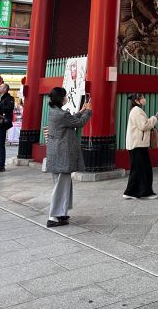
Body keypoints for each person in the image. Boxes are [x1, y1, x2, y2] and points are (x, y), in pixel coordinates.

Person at [46, 87, 92, 227]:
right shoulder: (61, 115)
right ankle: (53, 217)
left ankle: (61, 213)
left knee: (61, 185)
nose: (66, 98)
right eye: (64, 96)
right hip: (62, 154)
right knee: (61, 186)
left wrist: (82, 111)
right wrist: (88, 111)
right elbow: (78, 123)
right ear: (60, 98)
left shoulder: (54, 112)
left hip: (56, 153)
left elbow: (70, 120)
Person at [123, 93, 158, 200]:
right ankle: (145, 192)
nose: (144, 99)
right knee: (144, 169)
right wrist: (155, 118)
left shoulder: (136, 111)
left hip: (137, 144)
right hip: (138, 144)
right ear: (137, 101)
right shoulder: (136, 111)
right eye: (142, 98)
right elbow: (143, 126)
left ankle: (131, 192)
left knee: (137, 169)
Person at [0, 83, 15, 172]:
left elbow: (8, 108)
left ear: (5, 89)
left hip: (1, 124)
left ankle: (1, 165)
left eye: (1, 87)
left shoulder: (9, 98)